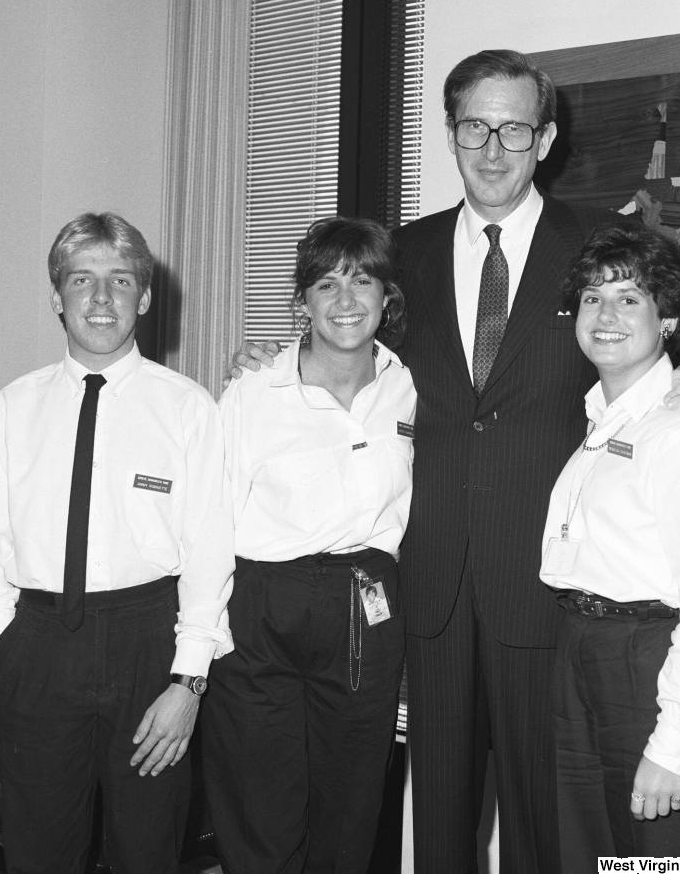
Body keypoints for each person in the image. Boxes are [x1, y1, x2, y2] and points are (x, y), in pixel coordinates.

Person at [232, 50, 680, 872]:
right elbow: (351, 349)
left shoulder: (599, 246)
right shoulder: (407, 255)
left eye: (514, 129)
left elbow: (639, 349)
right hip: (431, 590)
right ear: (452, 133)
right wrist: (272, 357)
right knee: (440, 829)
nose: (493, 149)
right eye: (474, 127)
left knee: (546, 831)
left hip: (543, 591)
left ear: (546, 138)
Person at [0, 212, 234, 874]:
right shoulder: (13, 408)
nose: (101, 298)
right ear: (57, 296)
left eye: (120, 280)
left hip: (148, 643)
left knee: (146, 847)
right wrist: (10, 640)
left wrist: (187, 683)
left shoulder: (188, 409)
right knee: (40, 850)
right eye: (82, 279)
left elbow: (209, 555)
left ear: (144, 296)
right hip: (41, 643)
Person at [203, 217, 415, 874]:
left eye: (363, 281)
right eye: (326, 284)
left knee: (349, 813)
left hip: (364, 607)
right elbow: (208, 521)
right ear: (301, 303)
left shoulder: (412, 385)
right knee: (259, 807)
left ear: (387, 298)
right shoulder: (251, 391)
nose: (346, 299)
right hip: (263, 608)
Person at [540, 224, 680, 865]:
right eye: (591, 298)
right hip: (582, 657)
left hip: (653, 670)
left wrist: (672, 747)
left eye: (628, 298)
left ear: (667, 319)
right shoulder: (601, 424)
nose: (604, 315)